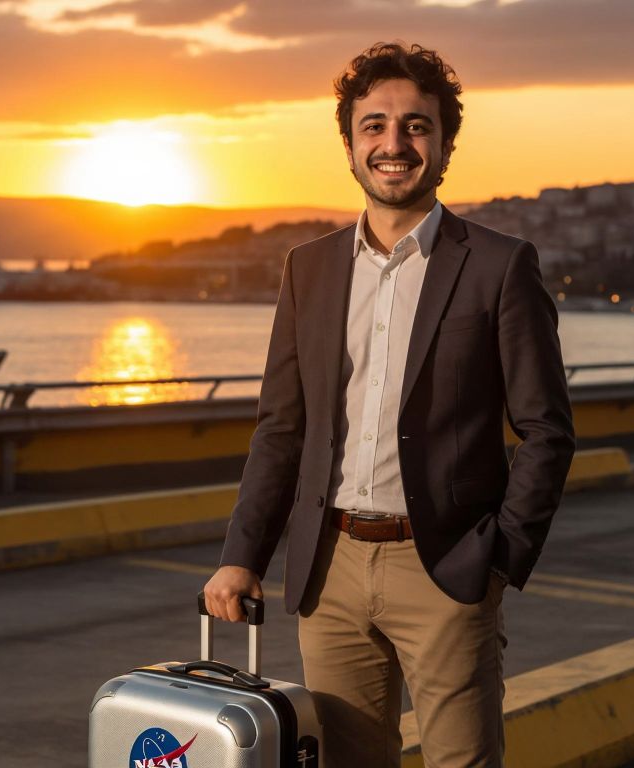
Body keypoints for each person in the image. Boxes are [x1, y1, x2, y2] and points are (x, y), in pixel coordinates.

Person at [203, 41, 575, 768]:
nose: (394, 144)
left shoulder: (499, 266)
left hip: (447, 568)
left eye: (415, 126)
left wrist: (498, 558)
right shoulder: (307, 269)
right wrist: (241, 556)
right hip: (329, 569)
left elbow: (546, 431)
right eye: (374, 126)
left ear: (443, 144)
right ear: (349, 144)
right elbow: (282, 427)